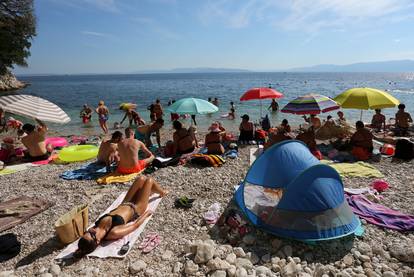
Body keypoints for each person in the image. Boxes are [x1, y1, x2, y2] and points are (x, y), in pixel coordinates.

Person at [76, 176, 168, 256]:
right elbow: (134, 226)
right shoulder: (113, 232)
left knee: (141, 179)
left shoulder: (96, 227)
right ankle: (162, 192)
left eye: (87, 232)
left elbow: (83, 246)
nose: (91, 230)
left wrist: (80, 249)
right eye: (92, 234)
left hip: (125, 202)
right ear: (98, 241)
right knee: (149, 180)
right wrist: (146, 214)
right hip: (137, 208)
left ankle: (147, 192)